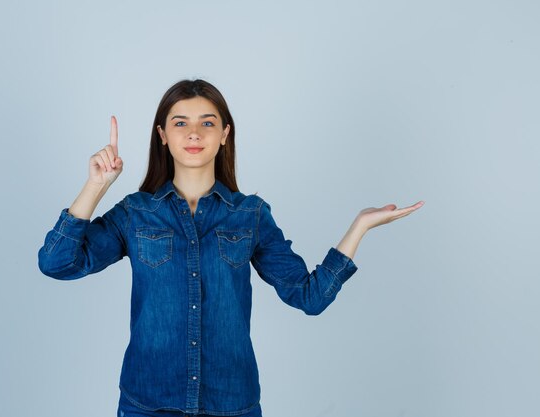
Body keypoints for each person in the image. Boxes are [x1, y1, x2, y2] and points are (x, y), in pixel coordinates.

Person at [37, 79, 424, 417]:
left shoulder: (250, 215)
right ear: (162, 135)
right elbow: (56, 263)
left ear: (224, 134)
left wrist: (359, 226)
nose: (194, 134)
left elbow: (310, 296)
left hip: (232, 404)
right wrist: (96, 187)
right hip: (147, 404)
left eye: (207, 123)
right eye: (180, 123)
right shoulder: (136, 214)